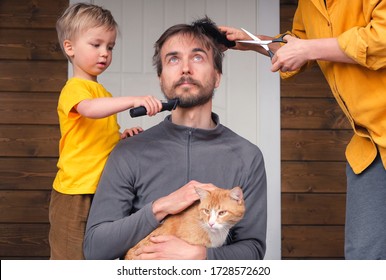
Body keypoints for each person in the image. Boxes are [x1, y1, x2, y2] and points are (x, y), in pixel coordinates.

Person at [83, 17, 267, 260]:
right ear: (161, 78)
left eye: (198, 57)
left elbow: (253, 250)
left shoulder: (247, 156)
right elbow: (95, 248)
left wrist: (200, 257)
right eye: (173, 59)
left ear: (218, 76)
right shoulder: (128, 151)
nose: (185, 68)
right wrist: (160, 207)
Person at [220, 0, 386, 260]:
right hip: (370, 147)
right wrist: (253, 41)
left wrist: (308, 49)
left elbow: (381, 39)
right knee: (364, 257)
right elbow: (298, 45)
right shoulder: (308, 4)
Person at [49, 3, 162, 260]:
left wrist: (120, 138)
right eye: (96, 45)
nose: (105, 53)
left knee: (95, 255)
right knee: (69, 258)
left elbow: (98, 137)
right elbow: (89, 110)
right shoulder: (75, 88)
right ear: (70, 48)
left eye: (110, 47)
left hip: (100, 190)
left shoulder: (103, 93)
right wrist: (134, 100)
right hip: (75, 192)